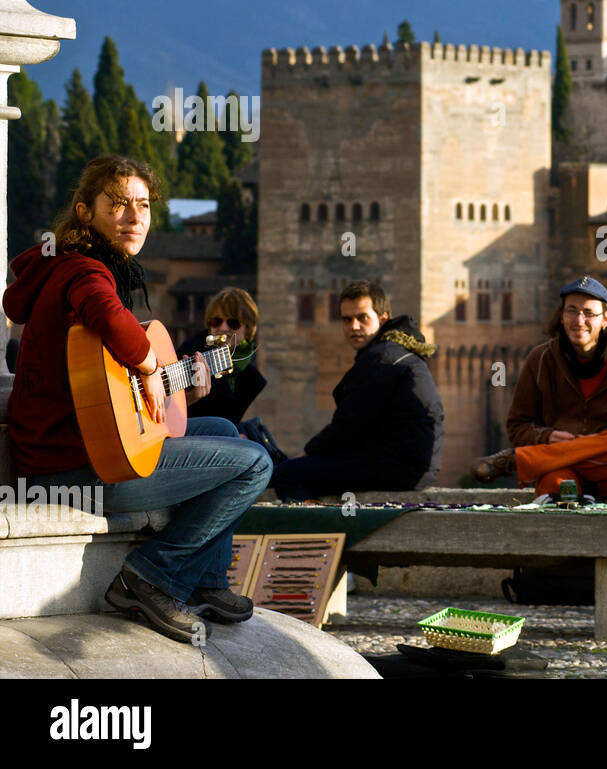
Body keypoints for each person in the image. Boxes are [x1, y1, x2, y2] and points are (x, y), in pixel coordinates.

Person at [3, 155, 270, 643]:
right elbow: (106, 312)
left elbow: (103, 379)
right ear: (85, 212)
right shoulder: (85, 270)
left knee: (227, 432)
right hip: (73, 471)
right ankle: (150, 578)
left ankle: (207, 581)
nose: (134, 217)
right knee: (255, 463)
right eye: (119, 205)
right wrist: (149, 365)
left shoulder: (64, 266)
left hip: (72, 450)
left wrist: (175, 377)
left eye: (143, 205)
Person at [475, 276, 607, 498]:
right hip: (560, 470)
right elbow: (516, 426)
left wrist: (604, 445)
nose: (579, 320)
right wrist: (547, 437)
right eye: (572, 311)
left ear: (606, 319)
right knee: (553, 486)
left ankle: (518, 461)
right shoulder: (540, 360)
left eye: (588, 313)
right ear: (561, 316)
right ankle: (542, 464)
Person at [270, 280, 444, 499]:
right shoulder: (391, 351)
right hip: (408, 465)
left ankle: (319, 530)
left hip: (401, 468)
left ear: (383, 319)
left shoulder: (382, 358)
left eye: (362, 318)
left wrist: (308, 453)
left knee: (287, 474)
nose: (354, 326)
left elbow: (349, 423)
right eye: (347, 319)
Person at [178, 287, 266, 427]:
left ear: (248, 328)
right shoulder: (191, 352)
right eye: (216, 321)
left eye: (233, 323)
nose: (223, 328)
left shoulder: (252, 377)